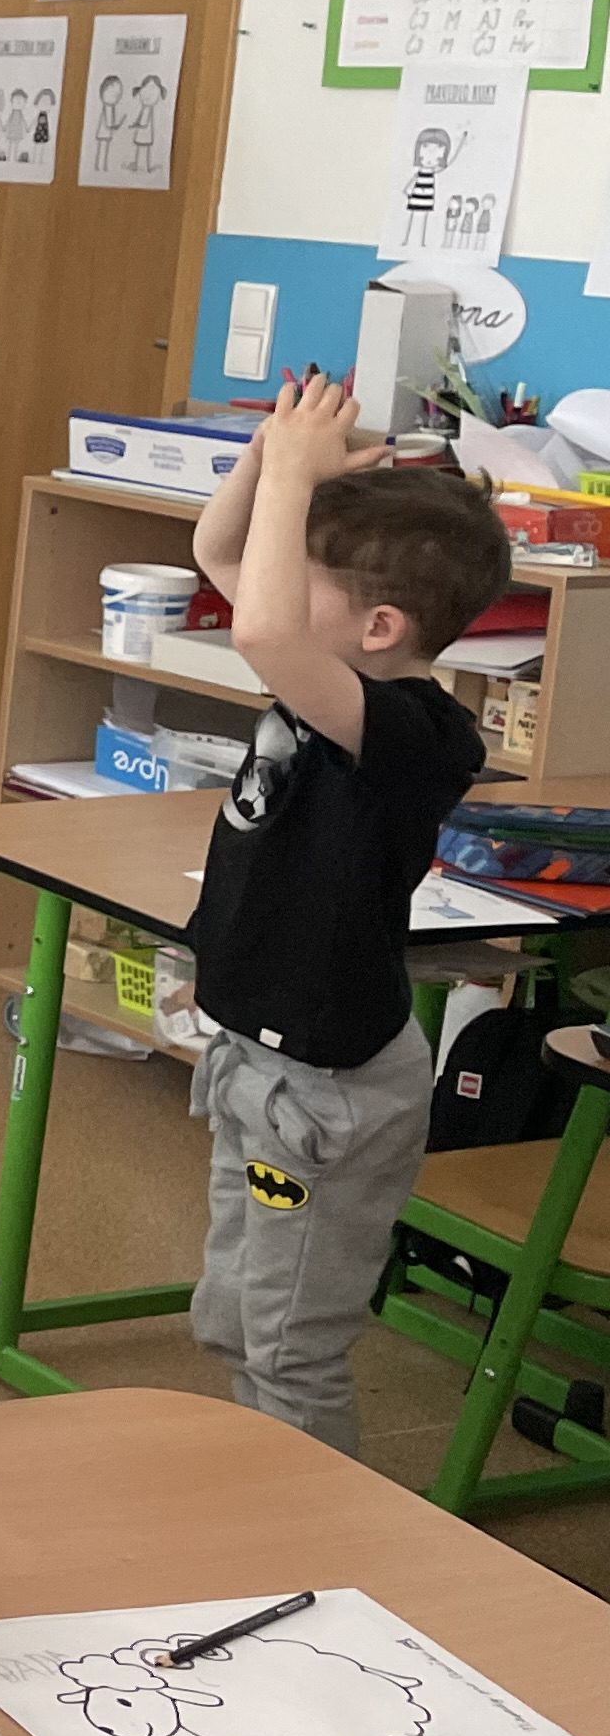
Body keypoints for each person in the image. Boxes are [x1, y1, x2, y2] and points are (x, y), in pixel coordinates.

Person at [183, 377, 513, 1456]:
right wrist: (271, 451)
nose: (268, 588)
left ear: (380, 628)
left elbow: (263, 627)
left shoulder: (414, 732)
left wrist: (294, 478)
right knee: (234, 1318)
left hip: (328, 1088)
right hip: (260, 1057)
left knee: (291, 1345)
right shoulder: (325, 675)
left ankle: (314, 1526)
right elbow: (219, 555)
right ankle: (263, 1491)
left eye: (301, 577)